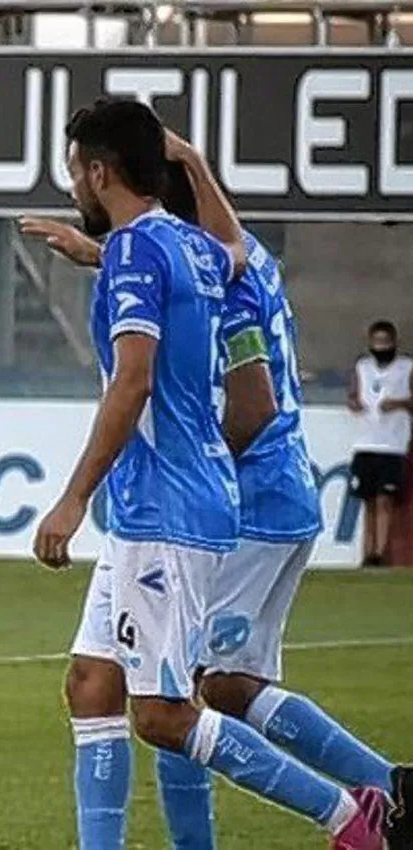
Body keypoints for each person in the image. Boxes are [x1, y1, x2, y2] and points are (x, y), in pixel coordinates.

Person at [25, 126, 412, 849]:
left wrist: (92, 493)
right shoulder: (225, 258)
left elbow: (245, 397)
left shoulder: (181, 267)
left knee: (178, 703)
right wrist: (165, 193)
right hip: (210, 498)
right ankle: (389, 790)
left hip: (219, 499)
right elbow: (219, 254)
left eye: (78, 170)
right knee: (98, 682)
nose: (73, 186)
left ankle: (361, 812)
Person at [348, 320, 413, 567]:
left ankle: (381, 552)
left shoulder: (406, 367)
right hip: (366, 442)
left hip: (393, 444)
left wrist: (398, 403)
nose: (381, 346)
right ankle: (367, 552)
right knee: (368, 501)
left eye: (385, 342)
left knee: (385, 498)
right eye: (377, 342)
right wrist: (354, 403)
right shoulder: (362, 367)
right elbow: (353, 395)